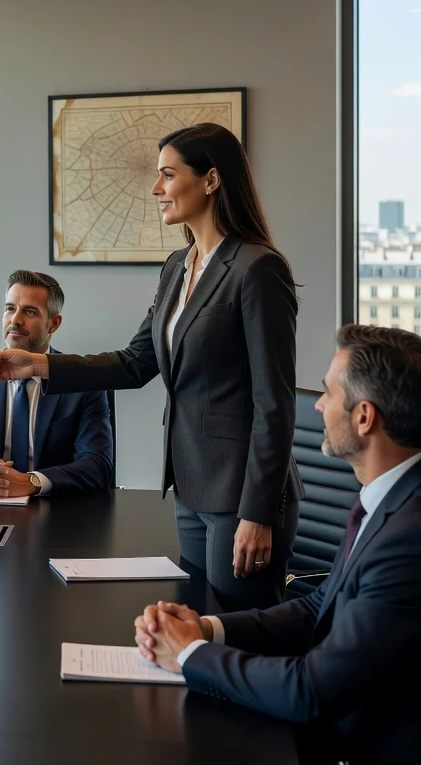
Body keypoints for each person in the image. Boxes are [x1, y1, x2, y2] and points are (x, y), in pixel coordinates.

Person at [0, 124, 302, 609]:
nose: (156, 189)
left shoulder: (257, 268)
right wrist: (37, 364)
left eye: (168, 175)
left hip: (242, 496)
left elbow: (274, 403)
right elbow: (135, 363)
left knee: (239, 637)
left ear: (212, 180)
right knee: (198, 631)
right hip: (190, 486)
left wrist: (258, 513)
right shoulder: (178, 265)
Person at [134, 325, 421, 763]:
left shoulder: (408, 538)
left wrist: (190, 654)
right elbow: (317, 608)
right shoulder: (386, 498)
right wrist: (208, 628)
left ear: (364, 417)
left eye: (328, 393)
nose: (319, 405)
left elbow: (312, 690)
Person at [0, 269, 113, 497]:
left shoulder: (81, 381)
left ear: (53, 324)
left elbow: (98, 466)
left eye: (30, 311)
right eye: (9, 309)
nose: (15, 320)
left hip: (59, 513)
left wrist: (30, 482)